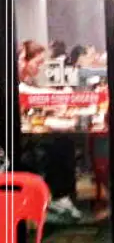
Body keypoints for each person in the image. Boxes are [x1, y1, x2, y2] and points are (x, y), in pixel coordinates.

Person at [17, 40, 82, 223]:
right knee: (59, 144)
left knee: (63, 142)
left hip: (26, 136)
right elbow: (31, 95)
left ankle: (61, 197)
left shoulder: (26, 81)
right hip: (18, 144)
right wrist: (60, 96)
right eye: (37, 62)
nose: (39, 67)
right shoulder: (15, 84)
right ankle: (59, 198)